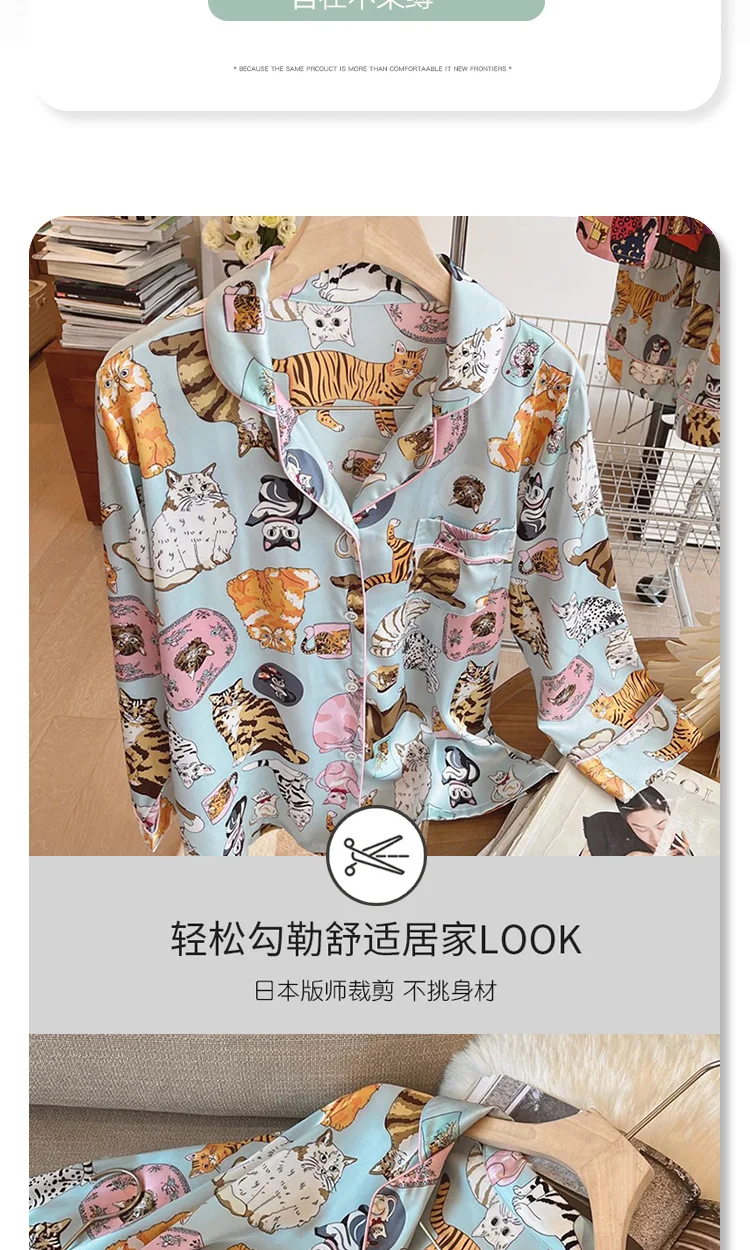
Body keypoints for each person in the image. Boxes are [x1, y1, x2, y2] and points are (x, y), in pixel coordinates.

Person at [581, 787, 692, 856]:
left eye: (661, 826)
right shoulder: (602, 825)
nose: (656, 838)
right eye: (642, 830)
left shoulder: (680, 849)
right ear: (627, 823)